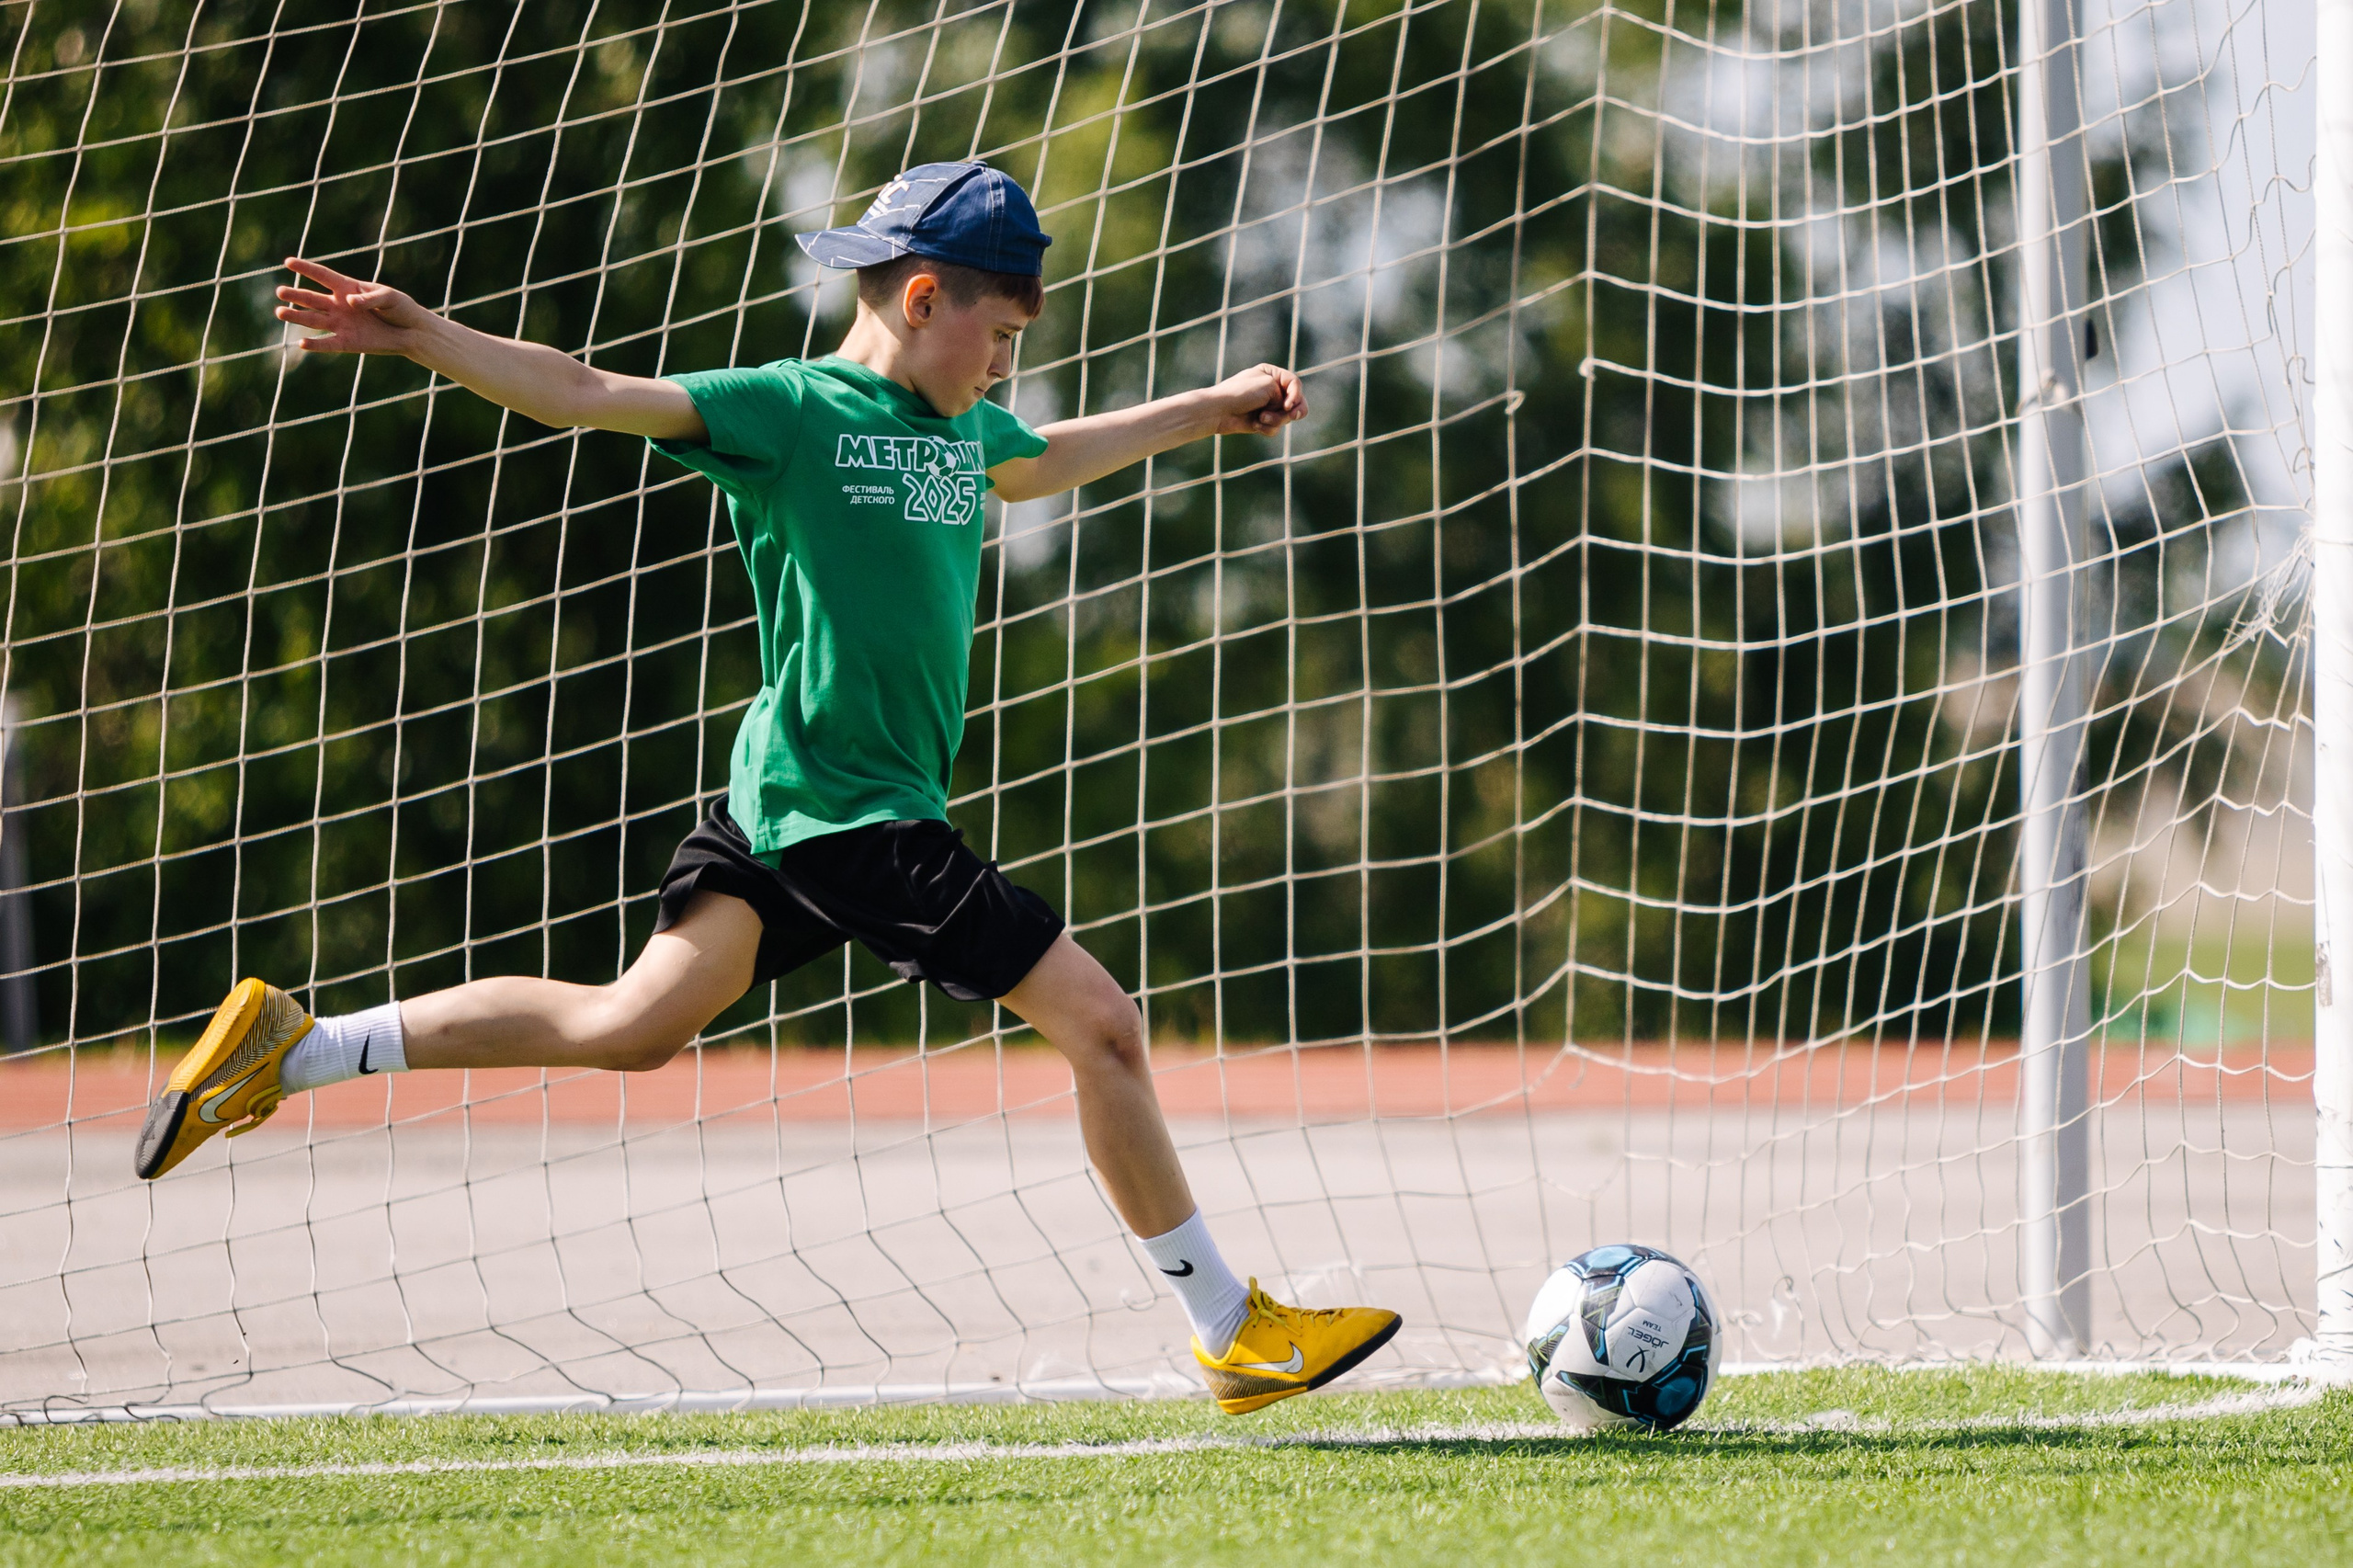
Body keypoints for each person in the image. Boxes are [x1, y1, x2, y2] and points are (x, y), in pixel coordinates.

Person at [132, 161, 1399, 1415]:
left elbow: (1045, 459)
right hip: (856, 817)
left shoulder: (960, 434)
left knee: (627, 1026)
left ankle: (298, 1051)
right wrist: (421, 338)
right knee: (1107, 1027)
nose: (1005, 364)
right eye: (998, 334)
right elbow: (586, 392)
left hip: (785, 807)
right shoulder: (795, 410)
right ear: (918, 299)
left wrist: (1211, 407)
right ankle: (1229, 1325)